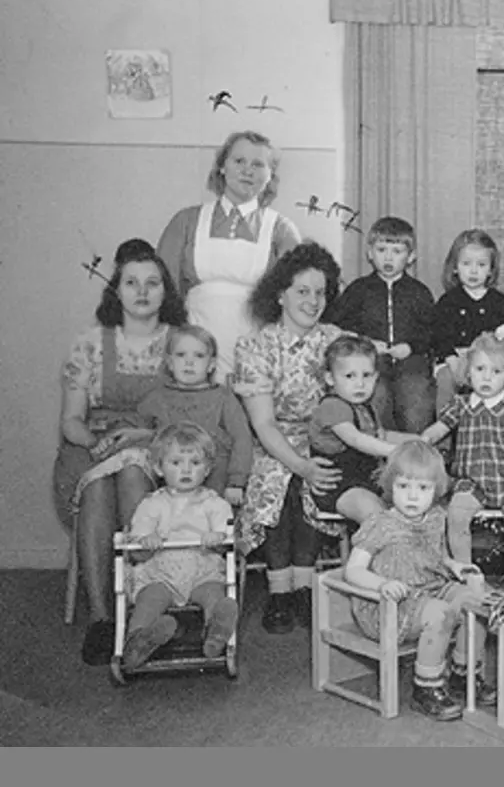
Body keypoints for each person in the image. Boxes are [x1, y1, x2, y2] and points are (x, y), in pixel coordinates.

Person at [54, 238, 188, 665]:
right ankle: (101, 618)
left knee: (132, 476)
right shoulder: (91, 343)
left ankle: (144, 610)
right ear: (116, 290)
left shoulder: (182, 341)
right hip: (94, 442)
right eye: (132, 282)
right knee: (96, 489)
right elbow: (72, 420)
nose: (143, 292)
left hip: (158, 442)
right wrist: (97, 445)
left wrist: (141, 437)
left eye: (152, 283)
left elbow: (191, 413)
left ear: (166, 291)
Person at [234, 241, 345, 635]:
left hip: (327, 435)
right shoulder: (256, 346)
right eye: (302, 291)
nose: (313, 301)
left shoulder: (337, 341)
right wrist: (298, 464)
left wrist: (318, 455)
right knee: (279, 481)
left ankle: (305, 586)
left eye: (320, 292)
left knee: (324, 472)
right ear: (280, 293)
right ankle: (280, 590)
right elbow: (263, 424)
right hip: (272, 439)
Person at [344, 440, 494, 721]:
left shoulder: (436, 517)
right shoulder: (381, 524)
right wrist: (380, 584)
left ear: (436, 491)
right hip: (388, 605)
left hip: (431, 588)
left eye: (423, 488)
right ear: (390, 487)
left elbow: (436, 557)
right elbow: (353, 570)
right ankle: (426, 688)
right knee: (440, 613)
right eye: (403, 487)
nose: (412, 497)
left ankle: (464, 673)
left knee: (476, 600)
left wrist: (454, 565)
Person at [157, 130, 301, 383]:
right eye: (239, 161)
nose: (247, 171)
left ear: (270, 176)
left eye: (258, 165)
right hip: (193, 349)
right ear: (222, 167)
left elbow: (292, 302)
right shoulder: (187, 221)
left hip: (256, 350)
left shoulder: (281, 230)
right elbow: (165, 290)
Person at [421, 331, 504, 584]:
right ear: (468, 371)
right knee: (456, 516)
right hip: (473, 481)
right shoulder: (461, 404)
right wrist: (424, 439)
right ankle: (467, 576)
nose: (487, 377)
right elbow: (439, 429)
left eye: (496, 371)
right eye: (480, 369)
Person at [121, 423, 238, 670]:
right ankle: (139, 640)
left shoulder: (214, 504)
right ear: (158, 468)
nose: (186, 470)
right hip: (161, 572)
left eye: (195, 464)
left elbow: (225, 535)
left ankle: (216, 633)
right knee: (149, 599)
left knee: (213, 593)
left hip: (201, 569)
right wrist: (146, 540)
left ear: (207, 469)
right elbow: (137, 541)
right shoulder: (151, 505)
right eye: (176, 463)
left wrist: (216, 538)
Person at [325, 217, 437, 434]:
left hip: (411, 362)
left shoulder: (419, 292)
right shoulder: (358, 290)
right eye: (381, 249)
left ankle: (415, 451)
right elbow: (338, 328)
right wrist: (366, 343)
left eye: (397, 251)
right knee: (377, 395)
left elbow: (431, 332)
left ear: (411, 256)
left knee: (415, 395)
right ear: (370, 253)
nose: (388, 257)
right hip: (370, 364)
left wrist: (411, 347)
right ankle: (378, 452)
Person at [136, 324, 254, 506]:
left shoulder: (223, 397)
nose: (189, 362)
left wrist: (236, 481)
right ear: (169, 363)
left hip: (215, 475)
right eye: (181, 355)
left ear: (211, 365)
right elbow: (140, 431)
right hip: (170, 479)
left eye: (198, 356)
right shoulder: (156, 398)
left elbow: (242, 439)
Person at [308, 335, 417, 524]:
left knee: (410, 503)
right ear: (330, 378)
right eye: (350, 376)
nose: (360, 384)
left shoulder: (366, 406)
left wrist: (416, 441)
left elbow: (381, 436)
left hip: (367, 480)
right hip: (339, 486)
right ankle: (376, 550)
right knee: (375, 513)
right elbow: (356, 439)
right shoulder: (332, 406)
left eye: (366, 376)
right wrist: (394, 451)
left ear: (375, 377)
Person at [430, 229, 504, 414]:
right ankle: (444, 437)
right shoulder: (448, 302)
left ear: (490, 270)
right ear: (455, 267)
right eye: (466, 264)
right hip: (456, 359)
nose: (473, 270)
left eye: (481, 264)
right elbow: (440, 337)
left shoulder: (501, 304)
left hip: (491, 361)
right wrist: (453, 361)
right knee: (446, 380)